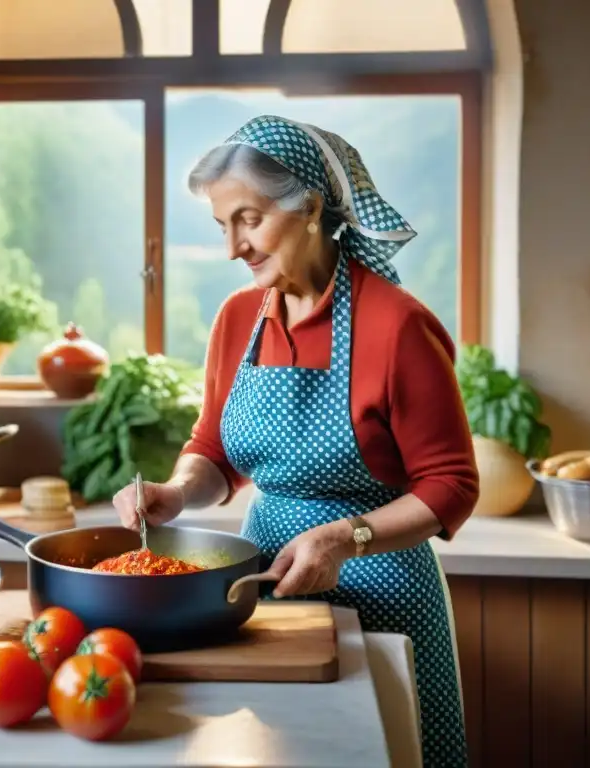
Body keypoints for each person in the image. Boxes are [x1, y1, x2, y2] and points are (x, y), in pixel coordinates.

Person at [112, 115, 477, 766]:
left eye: (247, 219)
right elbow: (216, 453)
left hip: (385, 589)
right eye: (222, 226)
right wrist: (175, 492)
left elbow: (451, 486)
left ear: (309, 207)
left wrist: (345, 538)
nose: (234, 247)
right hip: (271, 585)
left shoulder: (397, 327)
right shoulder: (237, 317)